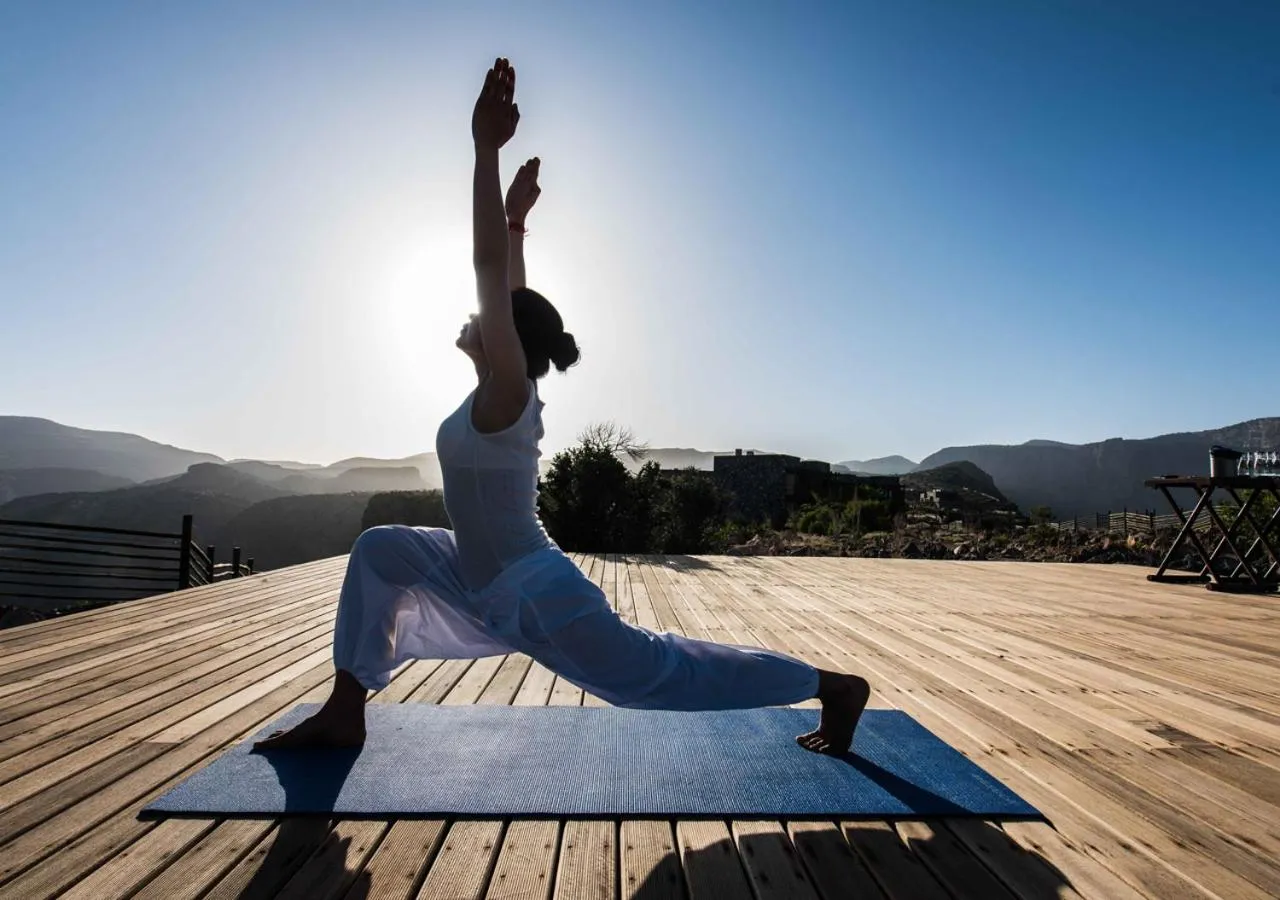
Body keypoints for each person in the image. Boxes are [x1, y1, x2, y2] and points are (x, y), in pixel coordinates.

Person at [254, 58, 870, 756]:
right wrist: (518, 227)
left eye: (483, 313)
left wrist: (485, 151)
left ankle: (830, 685)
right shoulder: (501, 389)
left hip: (535, 592)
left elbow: (490, 282)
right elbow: (509, 295)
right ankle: (345, 709)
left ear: (506, 338)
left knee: (655, 673)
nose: (469, 313)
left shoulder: (506, 391)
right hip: (479, 576)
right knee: (381, 549)